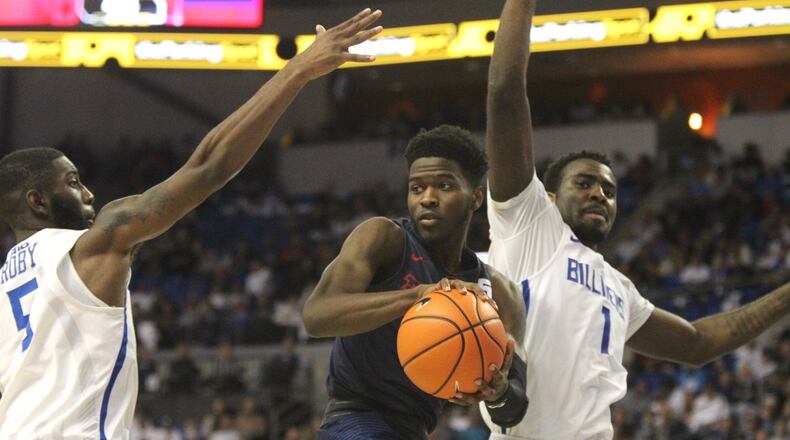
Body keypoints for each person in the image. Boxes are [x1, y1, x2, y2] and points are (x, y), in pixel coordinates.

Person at [0, 8, 384, 438]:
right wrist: (297, 70)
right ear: (37, 201)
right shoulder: (93, 246)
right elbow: (208, 167)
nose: (88, 193)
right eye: (72, 182)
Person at [482, 0, 790, 438]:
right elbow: (505, 92)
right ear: (548, 197)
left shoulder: (618, 286)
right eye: (585, 183)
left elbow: (699, 343)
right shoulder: (529, 226)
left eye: (609, 190)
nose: (600, 194)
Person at [303, 125, 529, 439]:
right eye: (417, 188)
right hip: (356, 419)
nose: (428, 199)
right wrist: (418, 296)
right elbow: (316, 317)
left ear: (476, 198)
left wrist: (498, 391)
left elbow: (513, 408)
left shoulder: (500, 293)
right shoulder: (384, 238)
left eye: (444, 185)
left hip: (417, 429)